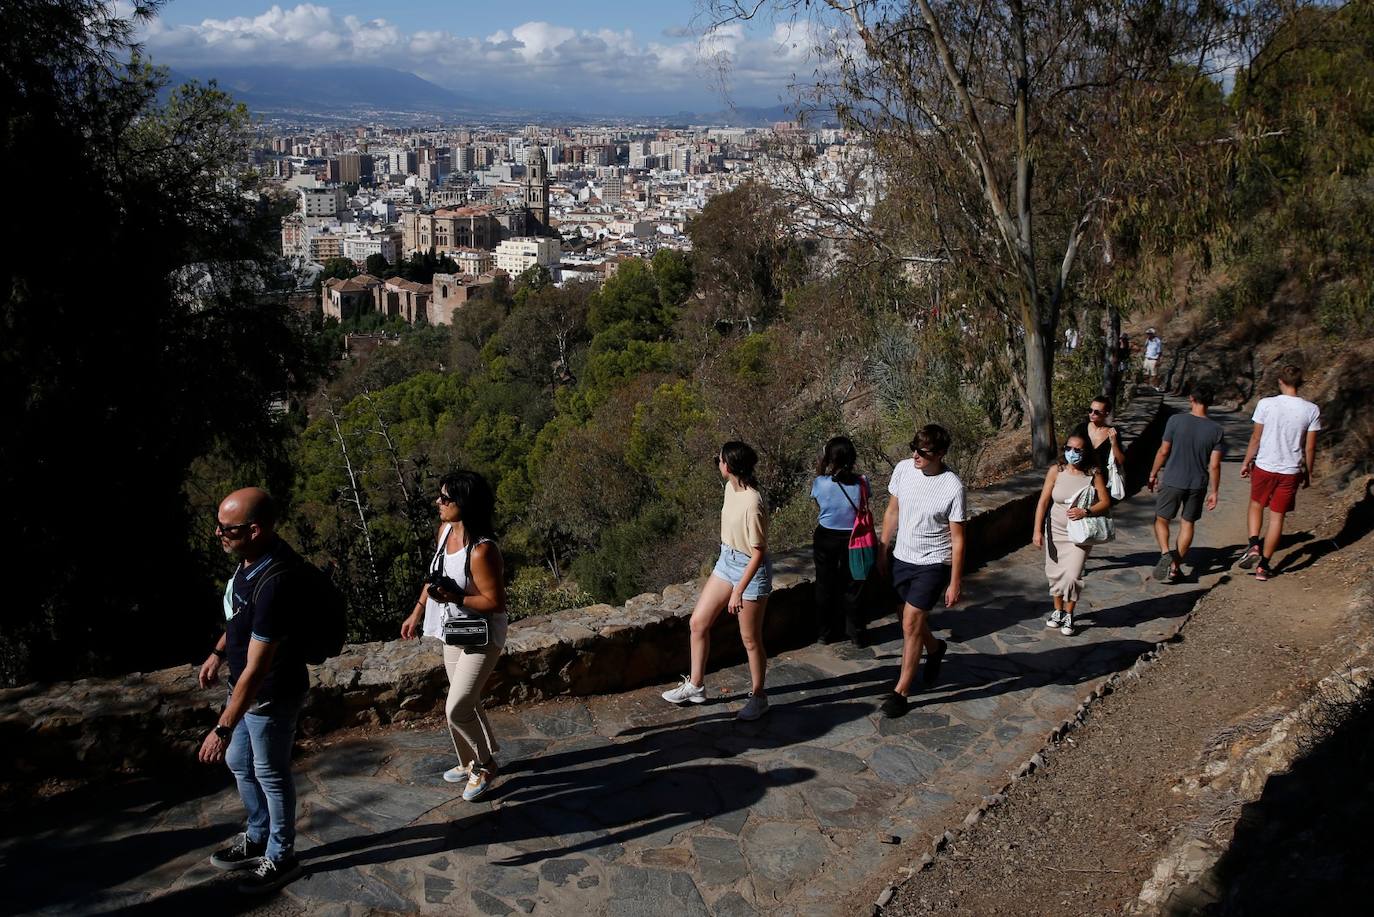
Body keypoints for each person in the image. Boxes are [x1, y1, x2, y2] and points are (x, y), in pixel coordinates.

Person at [197, 487, 307, 894]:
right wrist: (217, 652)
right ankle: (258, 834)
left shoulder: (276, 578)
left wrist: (222, 727)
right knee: (240, 763)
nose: (218, 534)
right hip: (244, 688)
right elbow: (239, 617)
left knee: (271, 774)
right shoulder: (249, 561)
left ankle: (282, 856)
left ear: (255, 529)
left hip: (270, 693)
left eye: (227, 529)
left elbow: (259, 669)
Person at [401, 471, 509, 801]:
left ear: (464, 503)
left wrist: (455, 598)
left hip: (481, 633)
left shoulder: (482, 550)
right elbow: (434, 575)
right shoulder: (445, 531)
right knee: (466, 700)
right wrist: (417, 611)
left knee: (456, 708)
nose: (439, 502)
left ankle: (485, 765)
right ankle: (469, 760)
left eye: (445, 498)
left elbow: (494, 602)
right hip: (452, 629)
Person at [663, 441, 773, 721]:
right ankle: (696, 686)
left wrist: (739, 590)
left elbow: (759, 552)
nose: (718, 463)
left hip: (750, 569)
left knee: (750, 639)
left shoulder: (753, 502)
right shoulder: (729, 489)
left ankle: (759, 696)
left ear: (729, 465)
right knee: (697, 623)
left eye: (720, 459)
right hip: (727, 561)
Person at [876, 424, 967, 719]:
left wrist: (955, 581)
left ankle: (901, 691)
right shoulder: (903, 469)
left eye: (923, 451)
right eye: (913, 447)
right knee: (907, 619)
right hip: (902, 557)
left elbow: (958, 538)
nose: (915, 454)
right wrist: (883, 547)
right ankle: (935, 648)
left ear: (940, 454)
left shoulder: (953, 486)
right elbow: (892, 511)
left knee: (911, 623)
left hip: (933, 563)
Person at [1238, 364, 1321, 581]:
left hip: (1265, 465)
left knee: (1256, 504)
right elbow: (1310, 447)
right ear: (1300, 383)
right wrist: (1308, 473)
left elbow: (1256, 438)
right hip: (1291, 470)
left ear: (1280, 381)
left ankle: (1254, 544)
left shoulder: (1266, 404)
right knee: (1277, 518)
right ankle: (1263, 567)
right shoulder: (1311, 410)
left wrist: (1247, 461)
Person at [1033, 430, 1113, 635]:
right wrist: (1037, 530)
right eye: (1068, 448)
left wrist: (1085, 511)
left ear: (1085, 452)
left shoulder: (1093, 473)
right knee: (1055, 573)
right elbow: (1043, 502)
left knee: (1073, 574)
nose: (1072, 453)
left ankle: (1070, 614)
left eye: (1077, 449)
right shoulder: (1056, 471)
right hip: (1055, 529)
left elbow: (1105, 502)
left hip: (1079, 532)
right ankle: (1058, 611)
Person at [1147, 385, 1225, 583]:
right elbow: (1214, 465)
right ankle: (1175, 567)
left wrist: (1153, 473)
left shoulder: (1175, 421)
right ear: (1210, 401)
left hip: (1173, 479)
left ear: (1191, 398)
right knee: (1187, 523)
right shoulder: (1216, 430)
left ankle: (1165, 552)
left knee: (1161, 519)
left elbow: (1164, 451)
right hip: (1197, 483)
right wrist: (1215, 491)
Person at [810, 436, 869, 647]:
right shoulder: (862, 482)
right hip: (855, 538)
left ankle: (824, 632)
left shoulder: (820, 484)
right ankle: (856, 633)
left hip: (826, 536)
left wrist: (821, 467)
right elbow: (864, 502)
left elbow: (818, 501)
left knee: (825, 584)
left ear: (828, 459)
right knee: (854, 585)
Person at [1084, 395, 1127, 482]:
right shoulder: (1081, 428)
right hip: (1082, 478)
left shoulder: (1112, 433)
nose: (1092, 414)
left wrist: (1114, 443)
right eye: (1090, 410)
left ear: (1106, 413)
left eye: (1096, 412)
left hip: (1104, 481)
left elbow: (1120, 461)